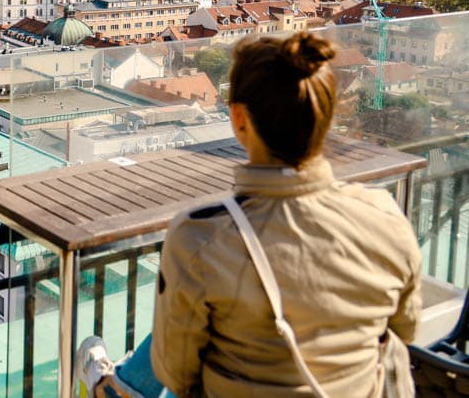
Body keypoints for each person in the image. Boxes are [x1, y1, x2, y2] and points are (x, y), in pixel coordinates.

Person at [82, 32, 421, 397]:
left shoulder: (201, 237)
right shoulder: (385, 216)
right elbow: (406, 329)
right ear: (325, 116)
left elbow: (174, 374)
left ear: (240, 119)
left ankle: (108, 386)